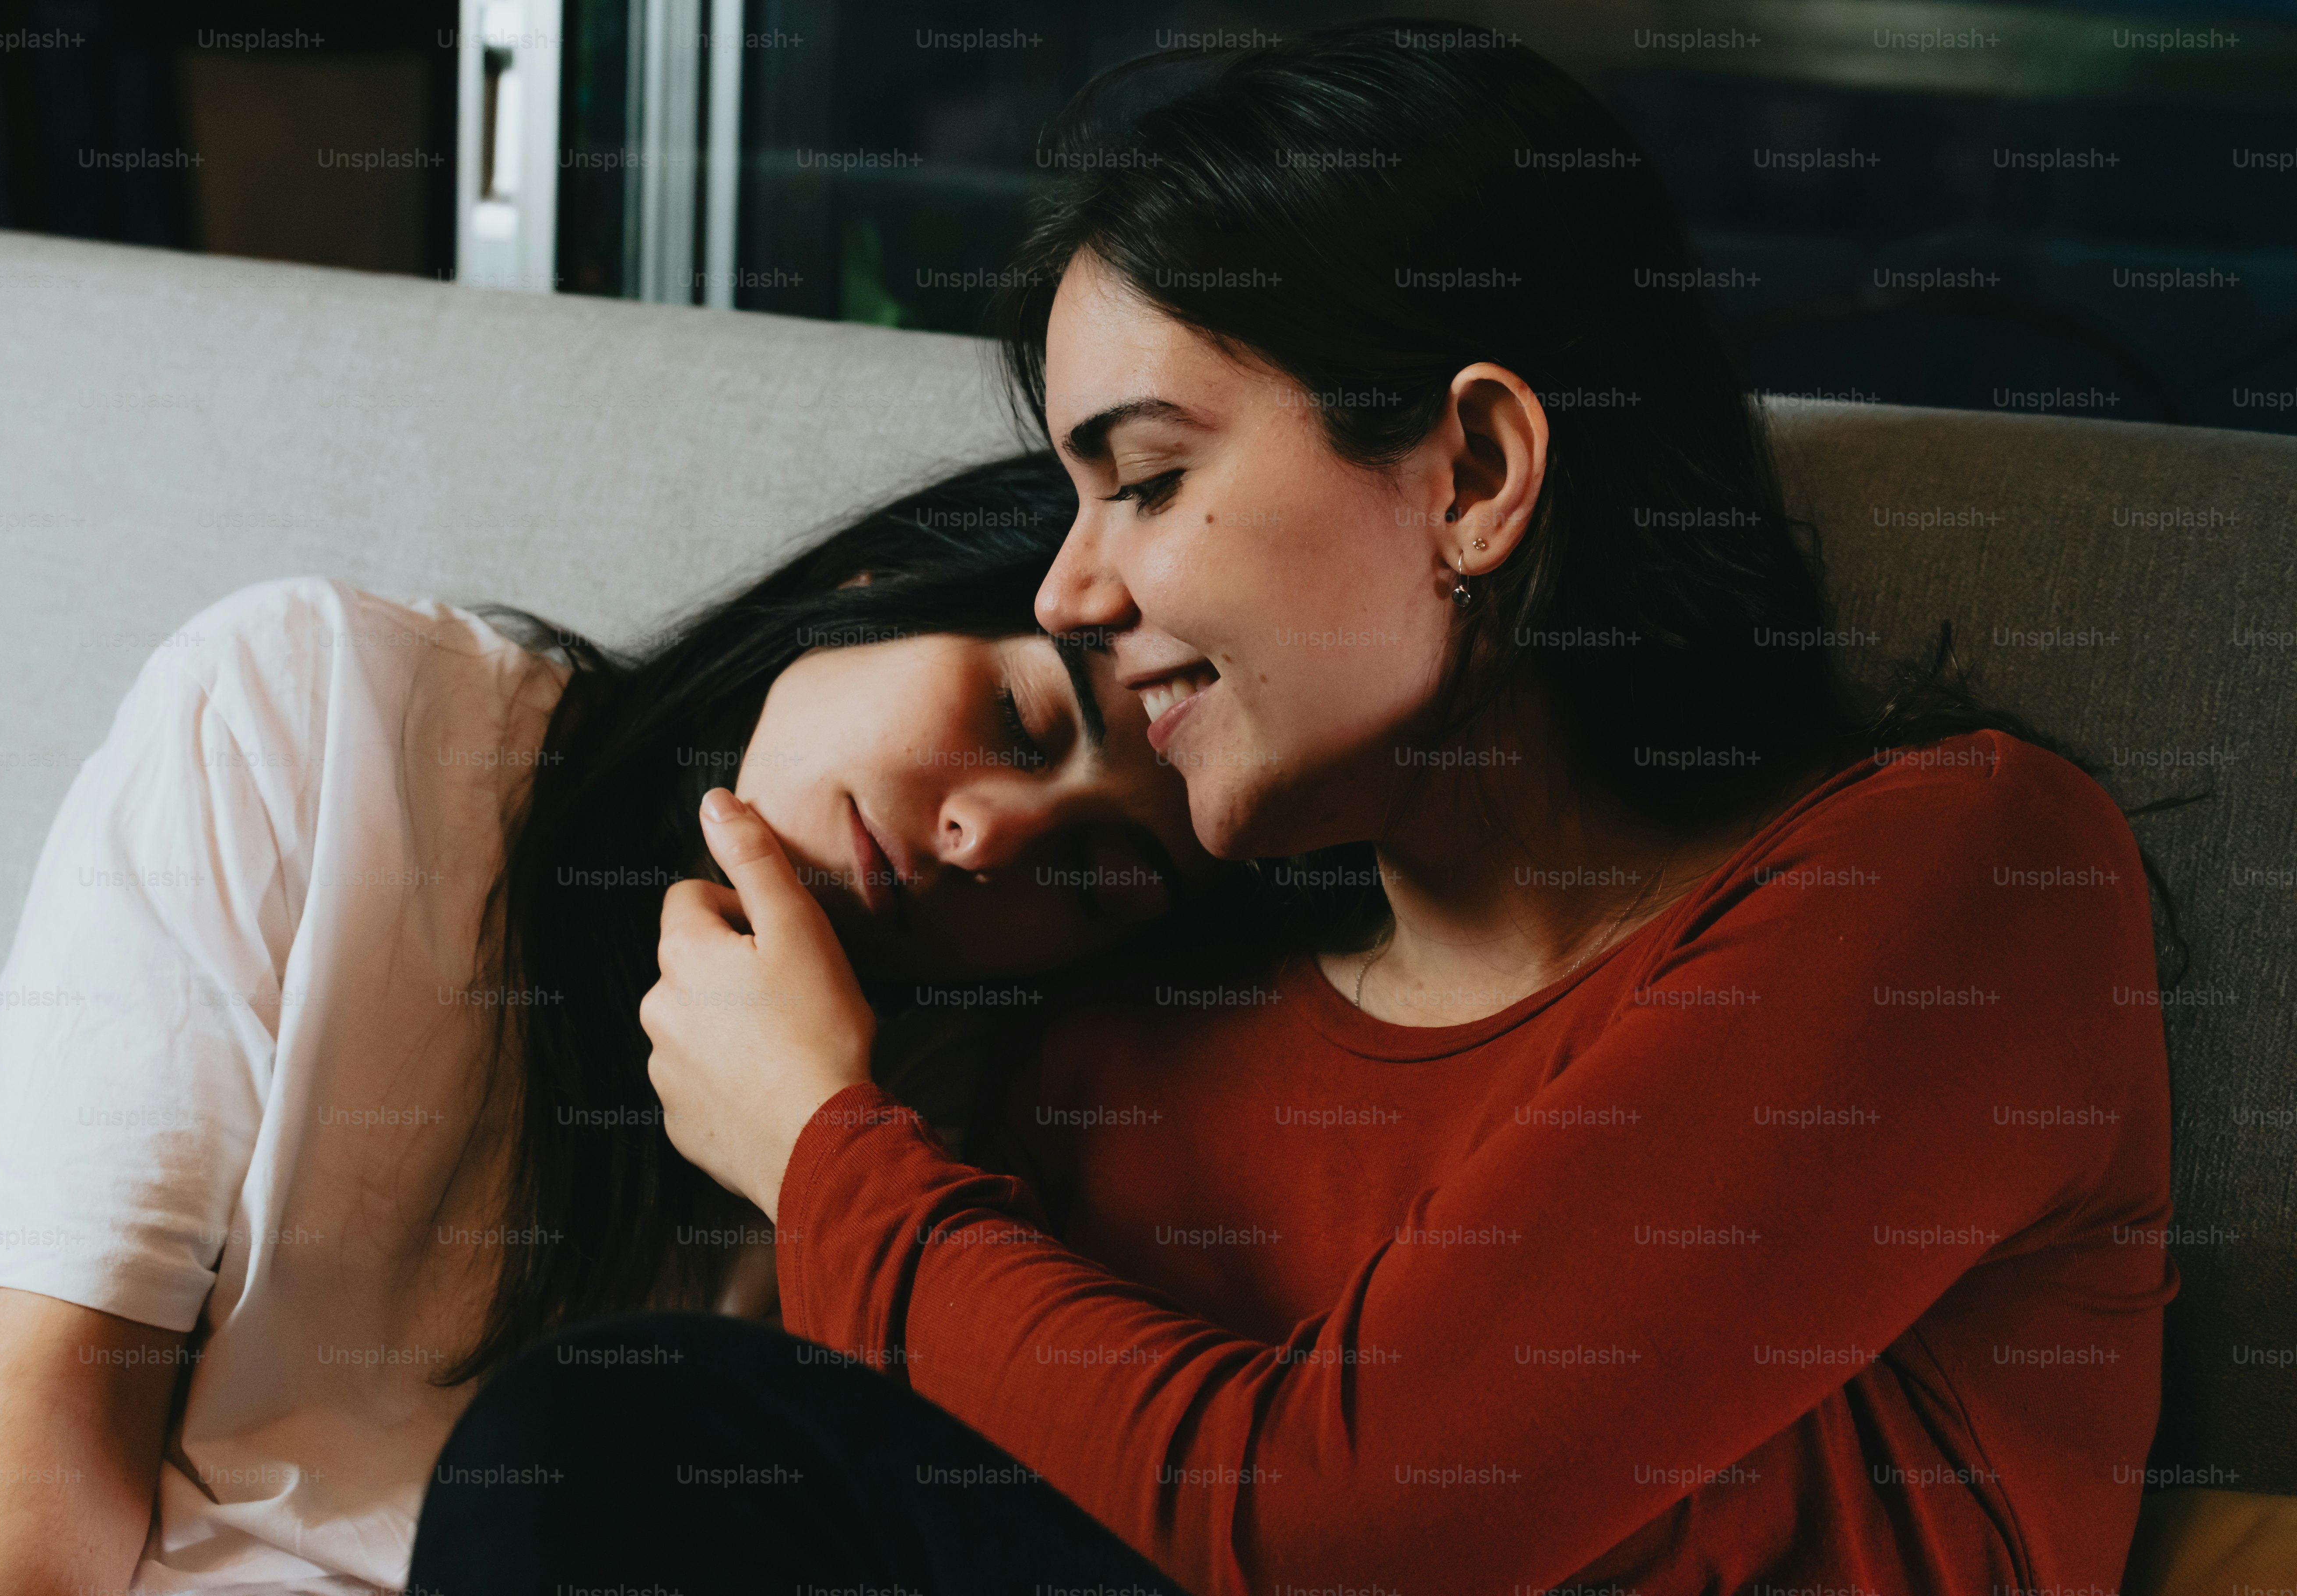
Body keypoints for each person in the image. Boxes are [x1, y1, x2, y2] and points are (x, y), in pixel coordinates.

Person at [418, 21, 2180, 1596]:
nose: (1069, 590)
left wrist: (819, 1150)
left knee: (605, 1441)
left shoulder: (1964, 883)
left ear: (1474, 474)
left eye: (1151, 478)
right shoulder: (1119, 1055)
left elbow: (1349, 1534)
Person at [0, 453, 1226, 1594]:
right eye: (1018, 717)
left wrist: (817, 1146)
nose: (989, 837)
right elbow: (32, 1463)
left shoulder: (921, 1160)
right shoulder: (323, 719)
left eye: (1094, 880)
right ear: (878, 589)